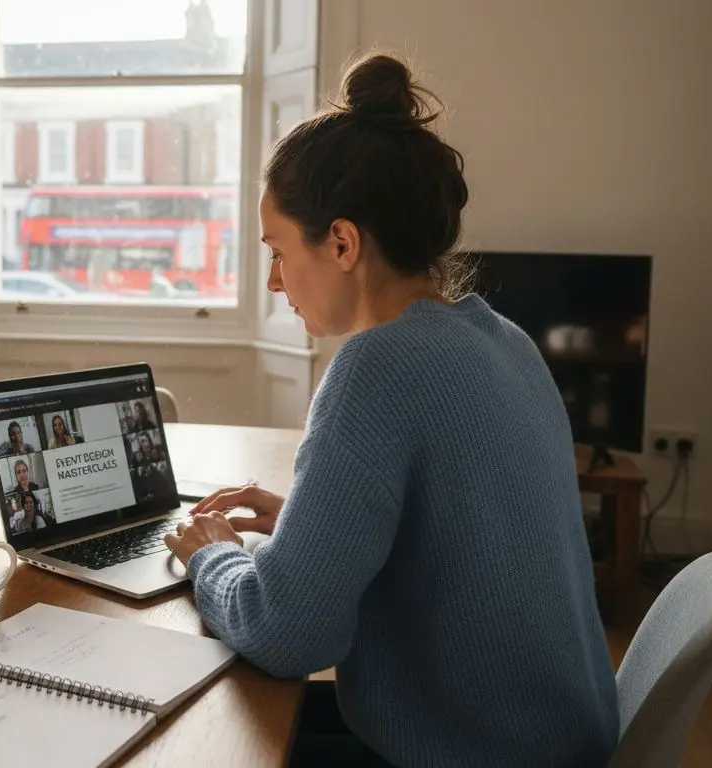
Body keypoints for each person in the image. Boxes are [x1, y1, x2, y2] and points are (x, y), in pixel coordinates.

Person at [163, 52, 618, 768]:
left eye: (279, 251)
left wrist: (210, 555)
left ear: (342, 242)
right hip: (552, 737)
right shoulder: (507, 341)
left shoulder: (377, 369)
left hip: (478, 753)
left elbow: (288, 636)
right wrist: (316, 526)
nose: (276, 280)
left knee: (202, 737)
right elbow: (470, 539)